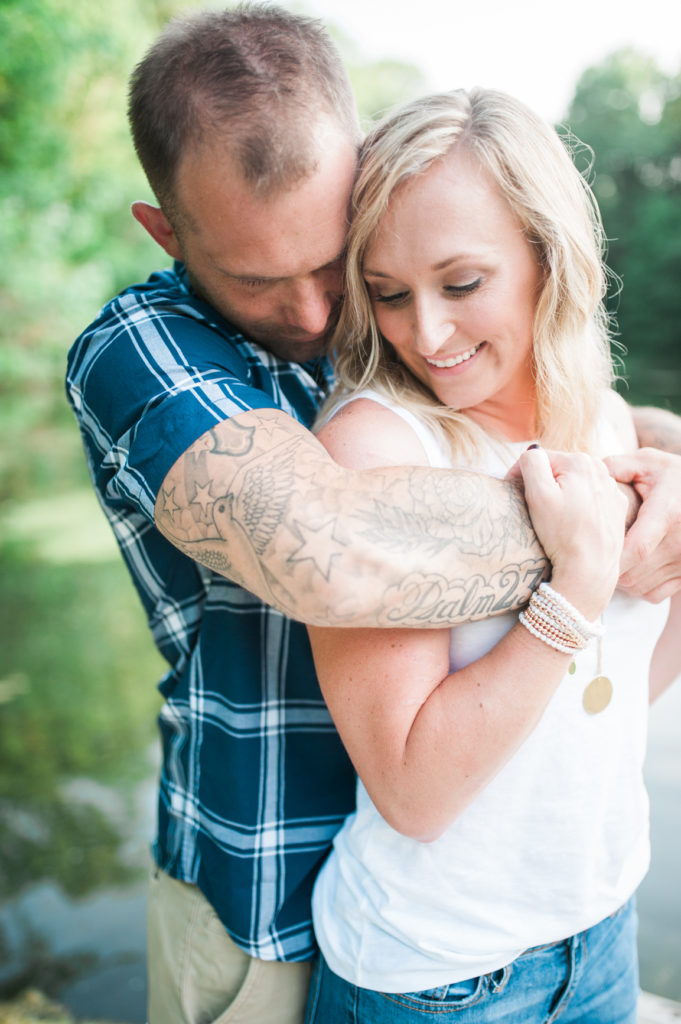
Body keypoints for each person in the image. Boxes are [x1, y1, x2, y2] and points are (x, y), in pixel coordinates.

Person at [65, 7, 681, 1024]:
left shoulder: (393, 335)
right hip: (261, 903)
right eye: (260, 279)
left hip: (538, 924)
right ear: (167, 232)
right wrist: (607, 524)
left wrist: (648, 456)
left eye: (335, 262)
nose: (317, 315)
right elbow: (334, 554)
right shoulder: (143, 349)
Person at [304, 89, 681, 1024]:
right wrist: (576, 589)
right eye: (387, 294)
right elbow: (414, 793)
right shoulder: (375, 449)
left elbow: (609, 705)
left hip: (601, 933)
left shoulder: (598, 419)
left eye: (460, 283)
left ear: (550, 259)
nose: (424, 334)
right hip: (438, 979)